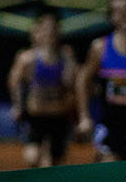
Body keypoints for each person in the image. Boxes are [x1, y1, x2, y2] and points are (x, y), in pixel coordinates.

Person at [76, 0, 126, 161]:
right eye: (117, 11)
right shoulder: (100, 47)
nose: (124, 16)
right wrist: (84, 116)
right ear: (110, 16)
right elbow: (83, 79)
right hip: (110, 128)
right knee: (111, 175)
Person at [8, 10, 77, 167]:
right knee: (32, 158)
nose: (49, 33)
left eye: (53, 29)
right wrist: (18, 105)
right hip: (36, 116)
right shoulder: (27, 58)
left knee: (55, 162)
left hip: (59, 115)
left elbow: (73, 84)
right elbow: (14, 81)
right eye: (44, 29)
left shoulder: (65, 55)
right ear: (37, 32)